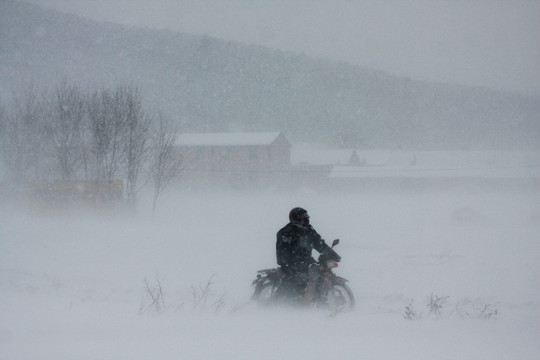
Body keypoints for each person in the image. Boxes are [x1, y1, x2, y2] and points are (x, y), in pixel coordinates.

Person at [276, 207, 340, 304]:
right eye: (302, 218)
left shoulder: (308, 229)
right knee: (314, 271)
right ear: (295, 219)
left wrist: (332, 254)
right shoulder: (286, 232)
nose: (305, 220)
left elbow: (319, 243)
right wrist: (294, 262)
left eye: (306, 217)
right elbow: (284, 252)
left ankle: (316, 296)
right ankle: (303, 300)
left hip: (306, 260)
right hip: (291, 263)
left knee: (321, 269)